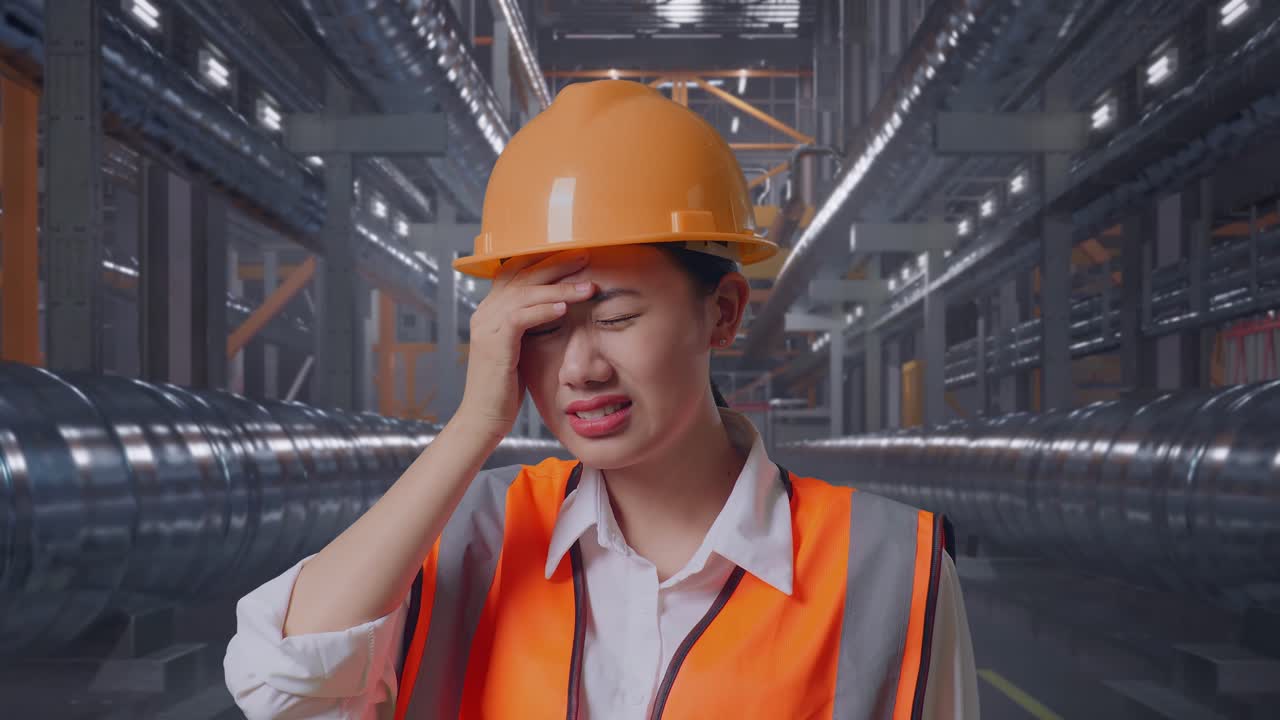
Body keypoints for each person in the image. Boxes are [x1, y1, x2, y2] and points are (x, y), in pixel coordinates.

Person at [224, 79, 979, 719]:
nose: (580, 367)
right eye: (544, 328)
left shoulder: (886, 564)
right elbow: (278, 684)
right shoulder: (469, 535)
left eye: (616, 317)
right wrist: (470, 429)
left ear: (722, 313)